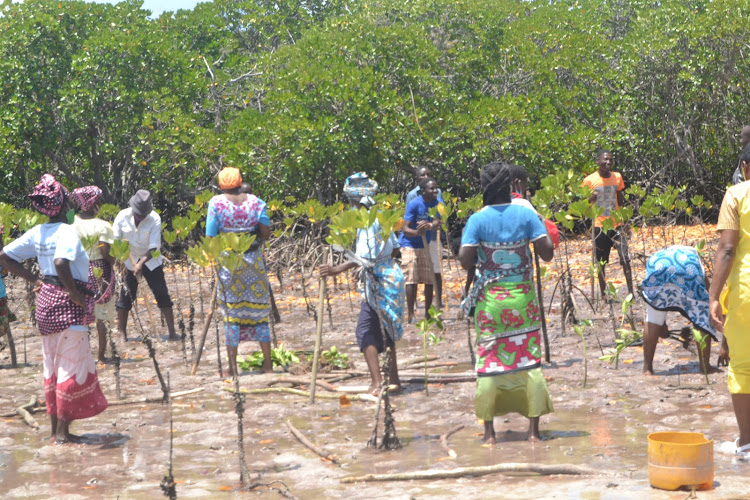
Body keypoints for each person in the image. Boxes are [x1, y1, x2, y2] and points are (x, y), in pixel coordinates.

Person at [0, 174, 107, 444]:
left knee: (52, 366)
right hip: (67, 304)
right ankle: (61, 435)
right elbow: (61, 262)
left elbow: (4, 257)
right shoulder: (68, 231)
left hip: (45, 303)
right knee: (70, 368)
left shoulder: (38, 232)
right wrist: (74, 293)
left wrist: (35, 280)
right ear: (62, 205)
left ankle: (55, 431)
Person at [458, 162, 554, 444]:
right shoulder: (525, 214)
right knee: (529, 362)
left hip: (491, 304)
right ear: (511, 187)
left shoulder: (477, 220)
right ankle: (534, 433)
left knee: (489, 362)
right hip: (523, 300)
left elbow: (465, 259)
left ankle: (489, 435)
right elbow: (546, 253)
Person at [320, 173, 405, 395]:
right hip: (392, 276)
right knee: (386, 330)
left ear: (355, 202)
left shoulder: (367, 220)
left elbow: (366, 258)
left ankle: (377, 383)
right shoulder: (382, 216)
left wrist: (335, 269)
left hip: (379, 281)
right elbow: (395, 249)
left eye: (351, 203)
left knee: (365, 331)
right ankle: (394, 381)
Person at [206, 167, 272, 376]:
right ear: (240, 181)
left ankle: (232, 368)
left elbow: (211, 236)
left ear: (221, 184)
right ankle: (268, 365)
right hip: (254, 262)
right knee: (259, 311)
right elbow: (265, 233)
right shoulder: (256, 202)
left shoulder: (216, 203)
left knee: (231, 314)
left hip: (229, 263)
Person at [709, 143, 750, 459]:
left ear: (745, 167)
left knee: (743, 367)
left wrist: (713, 296)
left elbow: (727, 249)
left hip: (746, 292)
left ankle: (747, 443)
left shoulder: (737, 195)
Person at [641, 245, 718, 375]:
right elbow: (706, 295)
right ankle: (705, 367)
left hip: (657, 265)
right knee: (701, 317)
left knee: (653, 319)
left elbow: (657, 304)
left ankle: (647, 368)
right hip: (688, 267)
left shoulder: (660, 253)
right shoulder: (693, 257)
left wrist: (661, 325)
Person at [113, 190, 178, 341]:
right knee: (125, 297)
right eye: (139, 214)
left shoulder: (154, 218)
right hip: (128, 262)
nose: (141, 217)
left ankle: (172, 332)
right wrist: (123, 263)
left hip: (151, 261)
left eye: (143, 215)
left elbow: (154, 247)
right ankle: (122, 333)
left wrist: (141, 264)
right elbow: (116, 241)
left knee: (162, 294)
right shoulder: (122, 216)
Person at [72, 186, 116, 363]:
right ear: (92, 204)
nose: (99, 204)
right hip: (99, 270)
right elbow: (106, 253)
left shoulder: (70, 224)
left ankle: (80, 356)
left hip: (77, 270)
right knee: (102, 315)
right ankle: (101, 356)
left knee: (79, 315)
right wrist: (116, 259)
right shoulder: (103, 226)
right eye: (98, 201)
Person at [582, 149, 634, 298]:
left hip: (617, 225)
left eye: (610, 160)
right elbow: (583, 205)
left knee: (626, 259)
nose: (608, 162)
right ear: (597, 161)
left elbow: (620, 200)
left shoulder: (617, 177)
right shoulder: (590, 181)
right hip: (599, 227)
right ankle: (604, 296)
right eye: (605, 160)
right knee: (601, 263)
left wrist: (626, 222)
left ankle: (631, 294)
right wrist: (590, 199)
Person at [400, 177, 441, 322]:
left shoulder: (437, 204)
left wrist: (429, 226)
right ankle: (411, 314)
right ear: (423, 191)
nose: (435, 191)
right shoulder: (414, 204)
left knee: (428, 279)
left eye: (436, 188)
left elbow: (437, 221)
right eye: (432, 189)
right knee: (411, 278)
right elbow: (405, 228)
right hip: (409, 244)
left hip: (425, 244)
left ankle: (428, 314)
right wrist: (418, 232)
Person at [406, 167, 444, 308]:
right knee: (414, 273)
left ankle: (438, 301)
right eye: (423, 175)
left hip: (433, 236)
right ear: (417, 179)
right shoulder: (412, 196)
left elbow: (441, 213)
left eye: (428, 174)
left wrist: (432, 224)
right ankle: (413, 304)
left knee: (436, 270)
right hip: (417, 240)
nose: (426, 176)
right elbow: (408, 219)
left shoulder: (437, 193)